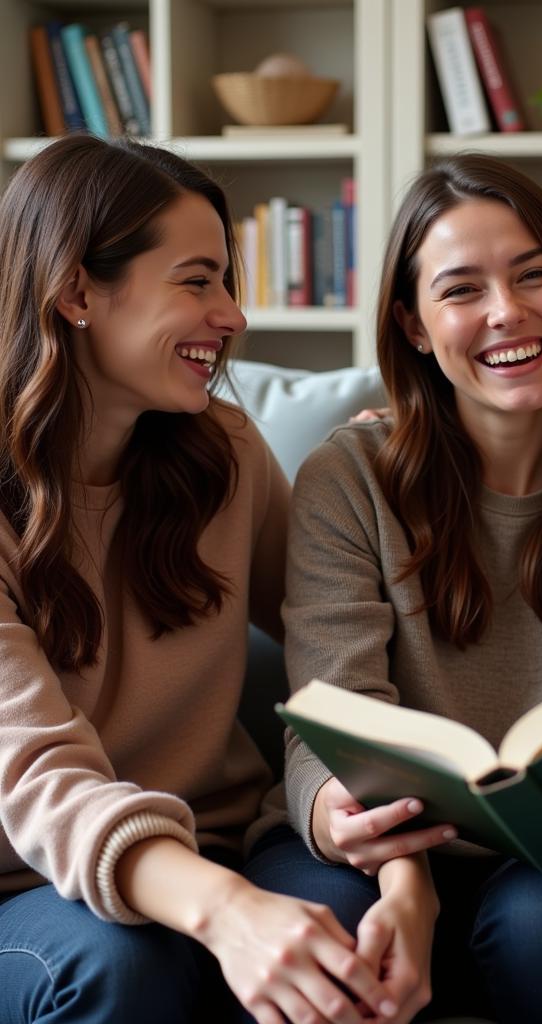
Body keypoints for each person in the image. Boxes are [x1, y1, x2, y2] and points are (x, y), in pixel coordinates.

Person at [244, 153, 542, 1024]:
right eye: (460, 290)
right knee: (326, 937)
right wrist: (403, 880)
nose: (508, 311)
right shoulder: (349, 475)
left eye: (535, 275)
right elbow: (338, 717)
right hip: (364, 841)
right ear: (415, 327)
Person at [0, 134, 400, 1024]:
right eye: (197, 280)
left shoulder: (222, 450)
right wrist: (226, 913)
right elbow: (36, 778)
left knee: (344, 930)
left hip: (226, 837)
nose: (232, 316)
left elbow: (339, 626)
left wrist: (399, 479)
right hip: (30, 878)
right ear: (75, 292)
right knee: (119, 966)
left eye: (228, 281)